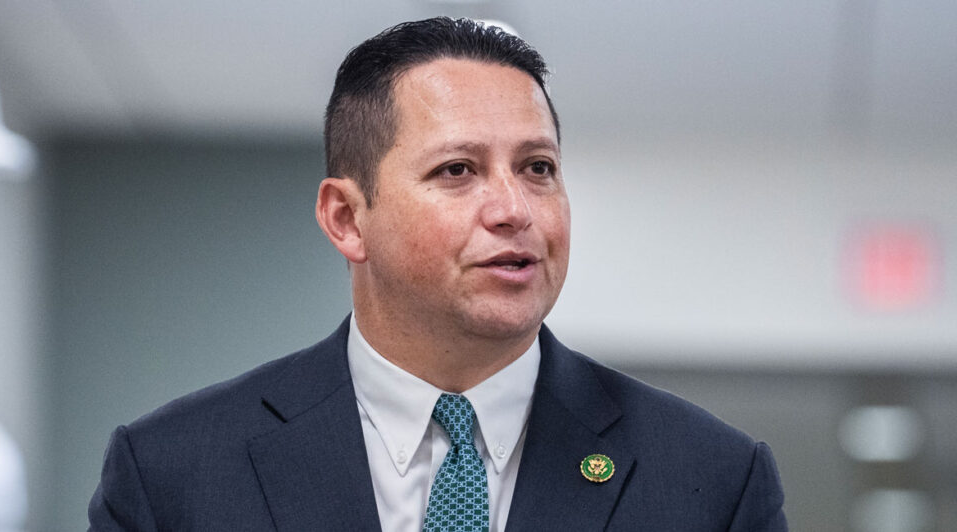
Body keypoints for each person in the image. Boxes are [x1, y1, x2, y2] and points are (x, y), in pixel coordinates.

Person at [88, 17, 787, 531]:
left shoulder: (711, 480)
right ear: (346, 219)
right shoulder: (172, 475)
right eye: (458, 170)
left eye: (538, 168)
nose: (514, 209)